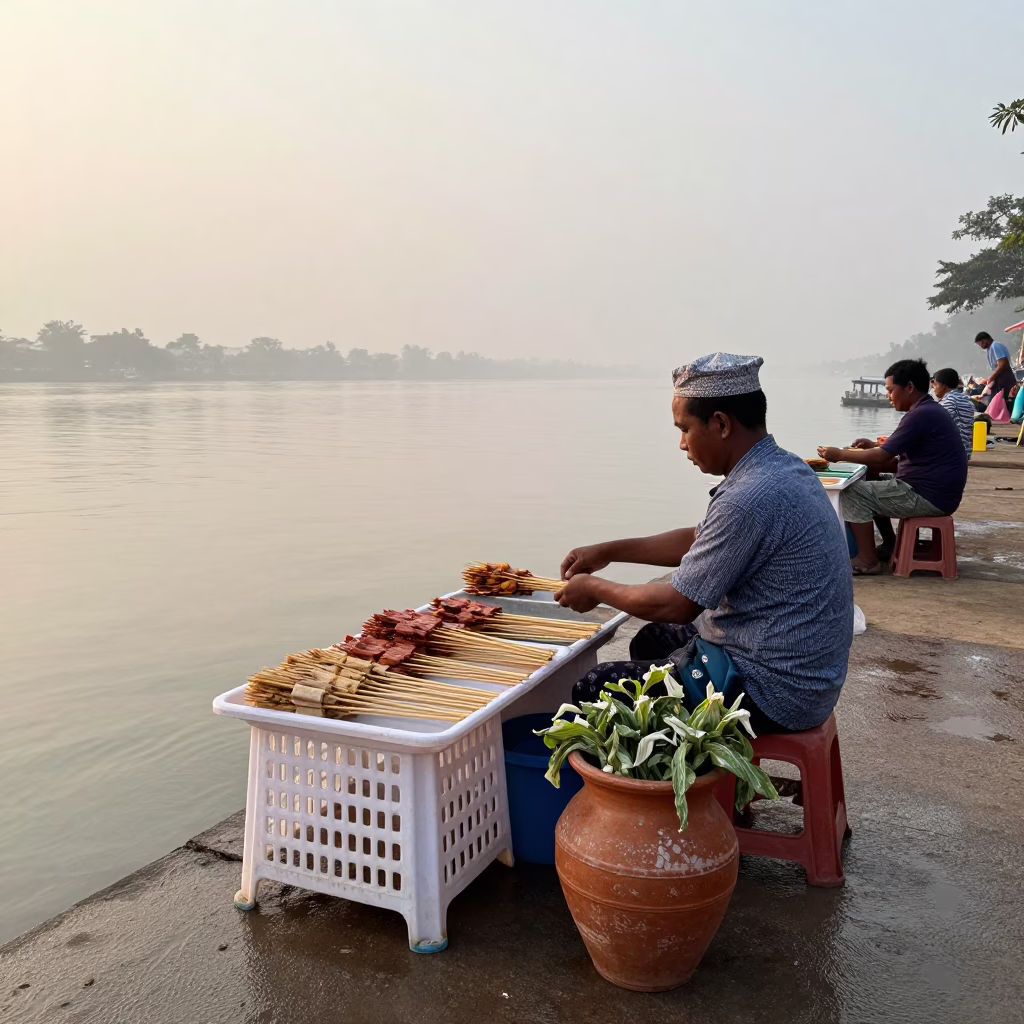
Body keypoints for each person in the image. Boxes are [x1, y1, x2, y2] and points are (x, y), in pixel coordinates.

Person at [554, 352, 853, 735]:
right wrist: (608, 551)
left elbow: (677, 604)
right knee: (651, 641)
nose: (682, 444)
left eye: (685, 429)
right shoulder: (781, 468)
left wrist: (594, 588)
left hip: (774, 689)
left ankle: (656, 788)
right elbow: (699, 539)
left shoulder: (749, 498)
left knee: (594, 688)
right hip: (806, 673)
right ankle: (698, 770)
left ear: (721, 424)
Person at [817, 358, 968, 576]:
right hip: (937, 492)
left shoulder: (921, 415)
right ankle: (889, 545)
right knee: (875, 484)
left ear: (909, 387)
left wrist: (838, 454)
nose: (888, 396)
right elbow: (891, 453)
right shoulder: (926, 410)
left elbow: (881, 457)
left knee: (852, 493)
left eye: (890, 390)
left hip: (929, 496)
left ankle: (867, 561)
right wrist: (874, 446)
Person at [930, 367, 975, 460]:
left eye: (935, 385)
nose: (934, 389)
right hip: (965, 451)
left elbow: (936, 425)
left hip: (952, 454)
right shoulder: (965, 400)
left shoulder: (949, 401)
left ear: (944, 386)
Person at [976, 331, 1016, 409]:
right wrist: (990, 379)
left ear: (984, 340)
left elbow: (1003, 364)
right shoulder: (989, 349)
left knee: (1002, 402)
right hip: (999, 378)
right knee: (994, 402)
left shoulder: (995, 346)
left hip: (1005, 377)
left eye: (980, 344)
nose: (980, 346)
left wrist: (992, 377)